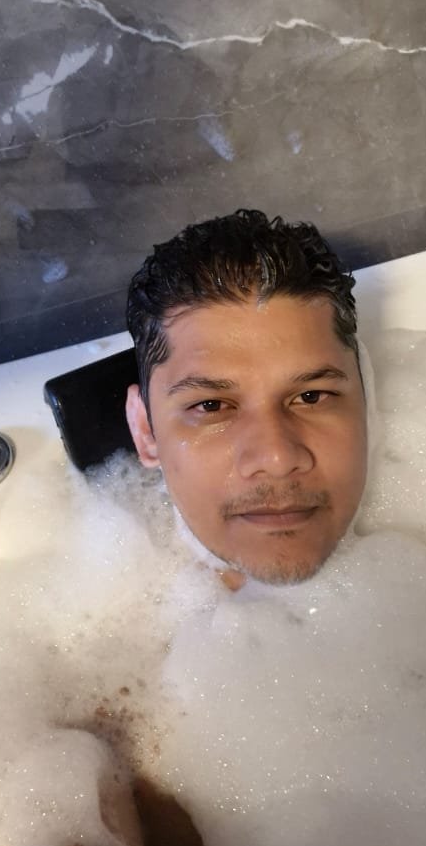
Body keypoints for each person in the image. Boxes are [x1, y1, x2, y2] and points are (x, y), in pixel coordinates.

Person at [125, 209, 367, 588]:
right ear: (145, 431)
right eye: (211, 405)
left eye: (311, 396)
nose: (277, 459)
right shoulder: (116, 613)